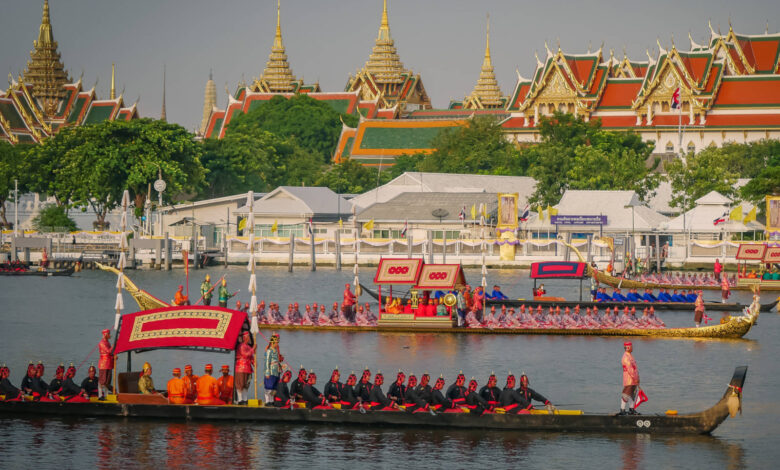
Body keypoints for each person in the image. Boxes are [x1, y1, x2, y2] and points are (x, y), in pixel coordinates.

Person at [235, 331, 256, 405]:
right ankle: (240, 399)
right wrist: (253, 349)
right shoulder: (241, 346)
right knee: (240, 384)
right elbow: (245, 355)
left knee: (246, 384)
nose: (248, 338)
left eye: (249, 337)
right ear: (244, 338)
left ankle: (245, 399)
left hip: (248, 368)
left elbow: (251, 357)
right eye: (247, 337)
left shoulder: (248, 347)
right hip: (241, 367)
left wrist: (254, 363)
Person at [620, 342, 640, 415]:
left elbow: (635, 368)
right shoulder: (625, 357)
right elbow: (630, 369)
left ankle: (631, 409)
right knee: (626, 393)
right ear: (628, 347)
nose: (632, 348)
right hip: (629, 378)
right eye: (631, 347)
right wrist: (635, 378)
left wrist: (637, 377)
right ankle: (622, 409)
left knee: (632, 394)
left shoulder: (630, 356)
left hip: (633, 378)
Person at [263, 333, 282, 405]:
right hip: (270, 371)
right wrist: (267, 372)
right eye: (276, 342)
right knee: (269, 387)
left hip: (275, 371)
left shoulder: (275, 351)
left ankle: (271, 401)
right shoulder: (269, 351)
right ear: (273, 342)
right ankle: (267, 401)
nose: (277, 344)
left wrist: (279, 367)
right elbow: (267, 362)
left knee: (274, 387)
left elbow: (277, 360)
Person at [98, 329, 114, 400]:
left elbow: (111, 352)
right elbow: (108, 351)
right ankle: (100, 395)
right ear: (105, 334)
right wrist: (113, 346)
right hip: (103, 363)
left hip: (109, 363)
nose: (109, 335)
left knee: (108, 380)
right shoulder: (102, 343)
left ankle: (107, 395)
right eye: (108, 334)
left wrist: (114, 357)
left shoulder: (108, 342)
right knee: (102, 380)